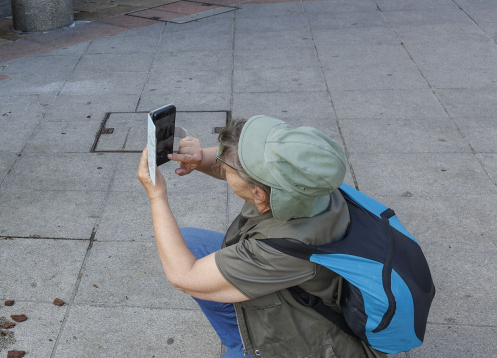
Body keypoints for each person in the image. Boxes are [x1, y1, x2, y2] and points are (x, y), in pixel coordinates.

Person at [136, 115, 387, 358]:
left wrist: (157, 197)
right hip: (300, 294)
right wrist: (199, 158)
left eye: (225, 162)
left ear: (258, 194)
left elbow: (184, 277)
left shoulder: (286, 246)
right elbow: (240, 166)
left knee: (187, 261)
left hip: (315, 345)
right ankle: (242, 339)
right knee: (191, 243)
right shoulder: (306, 182)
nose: (220, 159)